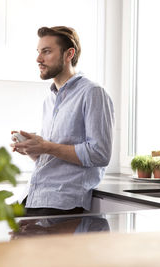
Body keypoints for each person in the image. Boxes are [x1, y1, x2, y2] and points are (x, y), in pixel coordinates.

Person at [11, 26, 114, 216]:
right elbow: (53, 156)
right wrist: (33, 149)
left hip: (61, 203)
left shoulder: (92, 92)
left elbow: (100, 154)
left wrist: (46, 146)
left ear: (69, 54)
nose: (38, 59)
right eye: (38, 52)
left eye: (46, 51)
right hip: (33, 197)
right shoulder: (50, 98)